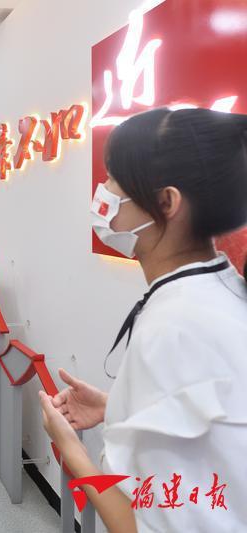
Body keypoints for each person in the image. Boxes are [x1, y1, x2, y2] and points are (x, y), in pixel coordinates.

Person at [39, 108, 247, 532]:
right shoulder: (220, 292)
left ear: (166, 202)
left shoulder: (175, 330)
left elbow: (139, 523)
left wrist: (69, 448)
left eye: (113, 179)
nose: (102, 192)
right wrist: (117, 407)